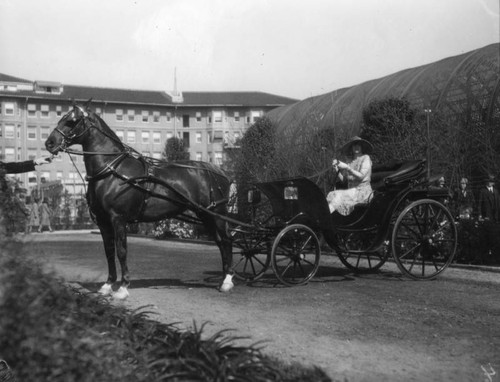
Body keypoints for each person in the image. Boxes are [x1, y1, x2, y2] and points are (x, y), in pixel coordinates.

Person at [327, 136, 373, 215]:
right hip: (352, 193)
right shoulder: (350, 162)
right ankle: (326, 216)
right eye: (354, 145)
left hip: (362, 193)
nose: (356, 147)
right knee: (332, 195)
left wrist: (347, 168)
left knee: (336, 195)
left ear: (362, 147)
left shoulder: (365, 158)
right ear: (351, 147)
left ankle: (326, 217)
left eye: (358, 144)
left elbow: (361, 176)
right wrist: (336, 169)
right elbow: (344, 180)